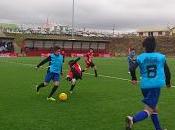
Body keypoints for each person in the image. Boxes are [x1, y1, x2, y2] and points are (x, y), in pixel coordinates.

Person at [126, 36, 171, 130]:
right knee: (149, 109)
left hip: (144, 86)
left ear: (144, 46)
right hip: (155, 86)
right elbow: (167, 70)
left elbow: (131, 68)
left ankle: (158, 129)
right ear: (155, 46)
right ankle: (133, 119)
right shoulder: (160, 56)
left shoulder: (141, 57)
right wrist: (167, 82)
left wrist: (134, 78)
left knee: (154, 108)